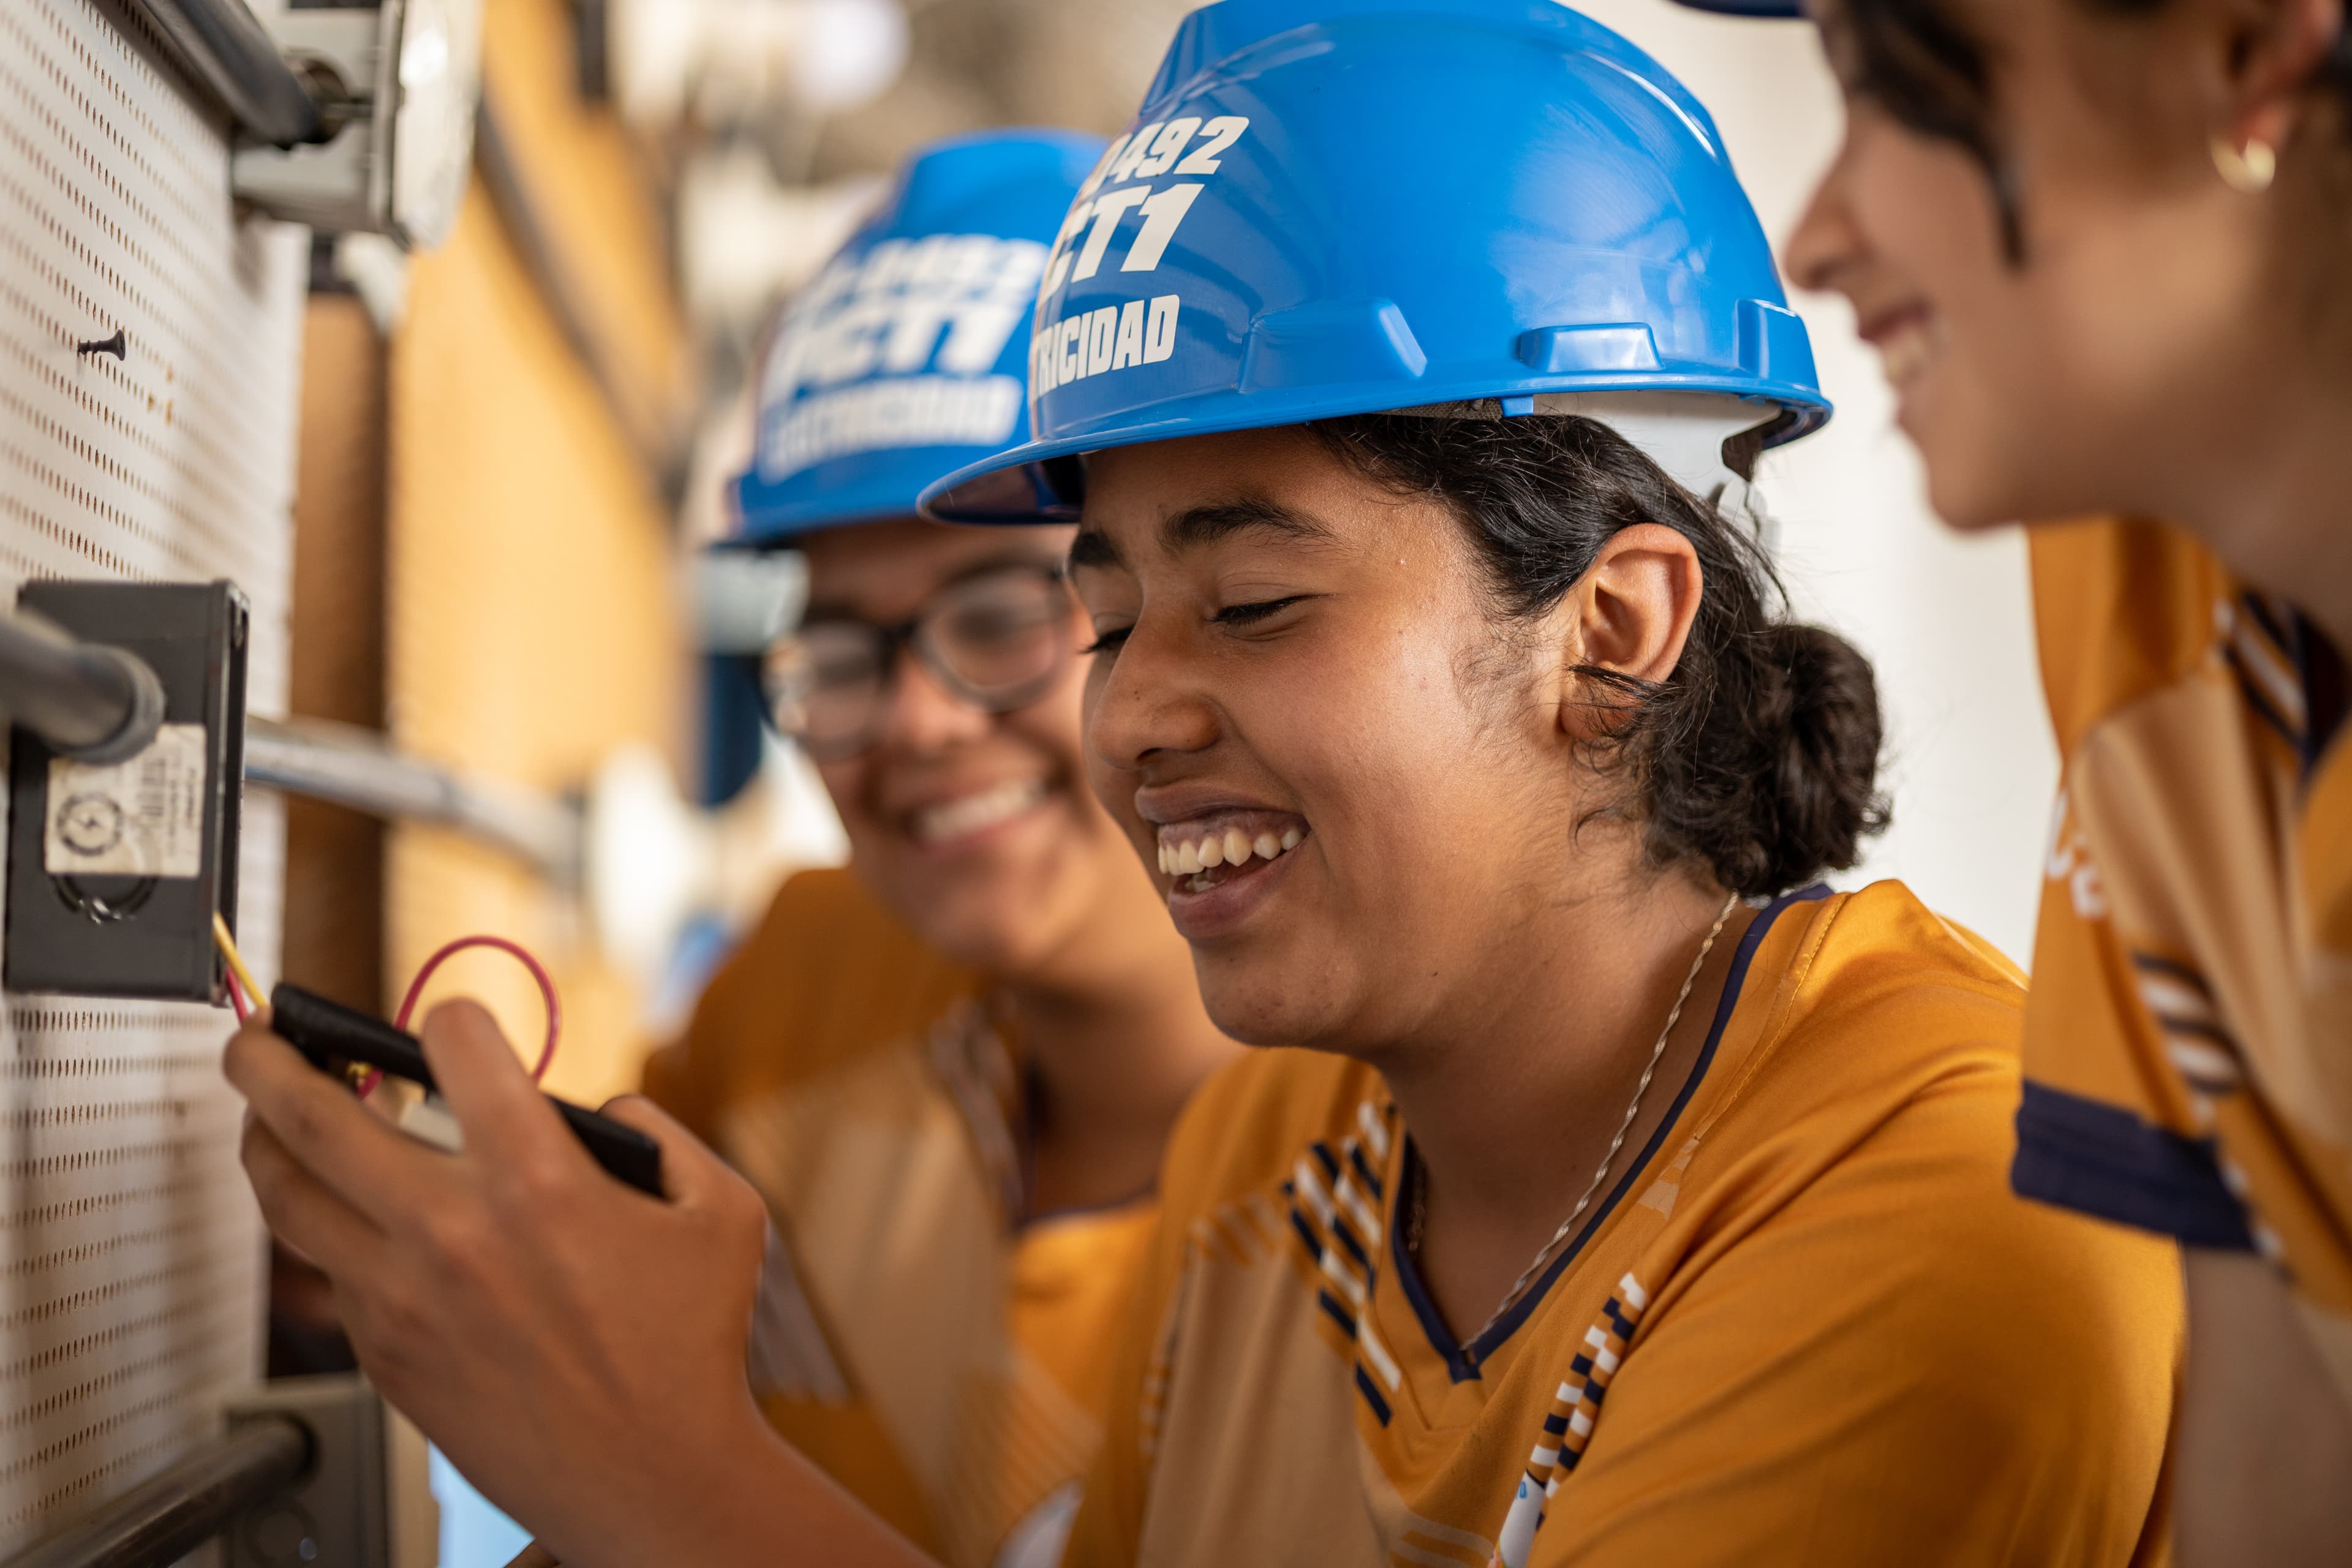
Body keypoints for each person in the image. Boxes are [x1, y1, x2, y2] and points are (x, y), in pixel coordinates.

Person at [224, 6, 2179, 1565]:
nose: (1128, 712)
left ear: (1611, 629)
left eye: (1253, 599)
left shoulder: (1948, 1195)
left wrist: (657, 1475)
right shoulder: (1276, 1156)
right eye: (1108, 613)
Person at [1665, 0, 2352, 1559]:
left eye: (1887, 88)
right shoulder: (2144, 567)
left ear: (2250, 48)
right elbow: (2281, 1447)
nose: (1815, 232)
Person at [645, 127, 1243, 1568]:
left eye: (998, 614)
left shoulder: (1421, 1187)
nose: (912, 722)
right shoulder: (805, 983)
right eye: (845, 643)